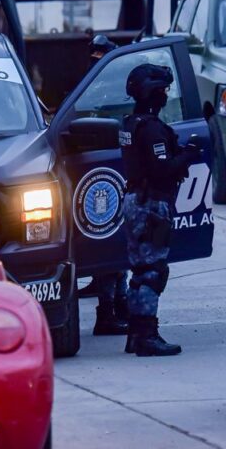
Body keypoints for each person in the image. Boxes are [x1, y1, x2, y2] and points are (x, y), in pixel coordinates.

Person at [120, 64, 201, 356]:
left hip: (136, 201)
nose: (166, 95)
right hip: (151, 205)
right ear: (151, 92)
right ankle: (147, 337)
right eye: (163, 90)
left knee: (140, 270)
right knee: (152, 271)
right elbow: (161, 169)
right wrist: (189, 155)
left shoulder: (131, 123)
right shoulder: (152, 129)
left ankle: (135, 335)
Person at [77, 34, 130, 336]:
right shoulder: (92, 87)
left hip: (115, 172)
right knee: (109, 242)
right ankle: (109, 310)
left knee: (118, 244)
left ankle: (118, 304)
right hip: (98, 175)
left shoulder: (116, 89)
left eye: (101, 56)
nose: (95, 61)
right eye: (93, 56)